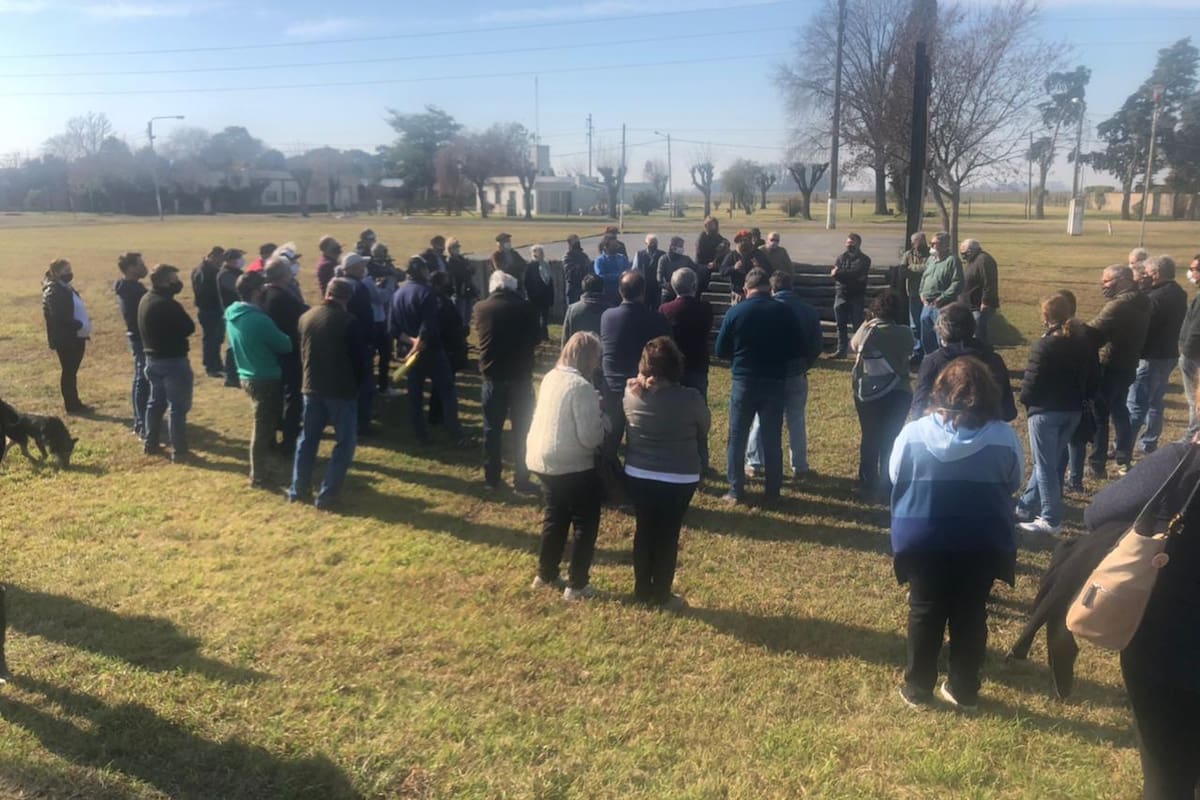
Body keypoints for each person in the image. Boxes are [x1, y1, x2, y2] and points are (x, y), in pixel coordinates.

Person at [890, 357, 1023, 711]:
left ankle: (918, 687)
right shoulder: (1004, 437)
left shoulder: (913, 432)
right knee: (971, 611)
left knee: (924, 610)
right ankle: (964, 688)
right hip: (981, 538)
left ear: (939, 390)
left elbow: (893, 473)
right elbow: (1014, 481)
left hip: (924, 537)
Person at [1077, 431, 1200, 798]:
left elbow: (1097, 511)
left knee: (1167, 778)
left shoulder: (1179, 462)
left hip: (1168, 648)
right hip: (1169, 649)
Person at [623, 336, 709, 609]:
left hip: (639, 472)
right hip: (679, 476)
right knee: (668, 534)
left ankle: (641, 589)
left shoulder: (631, 395)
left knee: (644, 530)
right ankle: (661, 592)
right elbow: (703, 428)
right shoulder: (691, 398)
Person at [526, 331, 609, 600]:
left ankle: (546, 572)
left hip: (542, 458)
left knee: (555, 516)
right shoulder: (581, 387)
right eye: (596, 358)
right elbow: (590, 437)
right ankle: (578, 584)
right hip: (571, 464)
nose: (597, 364)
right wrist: (604, 419)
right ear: (588, 359)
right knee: (585, 523)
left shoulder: (551, 377)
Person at [715, 268, 802, 505]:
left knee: (737, 436)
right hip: (774, 380)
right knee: (771, 437)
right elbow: (797, 349)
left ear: (746, 288)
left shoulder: (736, 311)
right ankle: (772, 491)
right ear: (769, 288)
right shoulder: (785, 312)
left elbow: (720, 349)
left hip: (744, 379)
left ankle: (735, 489)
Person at [1014, 294, 1098, 535]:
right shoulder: (1083, 342)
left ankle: (1051, 519)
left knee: (1045, 464)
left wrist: (1028, 402)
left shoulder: (1045, 345)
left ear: (1046, 316)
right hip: (1072, 411)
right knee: (1048, 461)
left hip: (1046, 412)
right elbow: (1094, 377)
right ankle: (1026, 505)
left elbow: (1031, 382)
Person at [290, 278, 368, 510]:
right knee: (345, 443)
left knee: (307, 439)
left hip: (311, 386)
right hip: (340, 390)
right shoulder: (348, 322)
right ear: (347, 298)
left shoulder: (306, 317)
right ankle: (327, 495)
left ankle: (298, 488)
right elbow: (359, 361)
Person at [746, 271, 823, 479]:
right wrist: (806, 363)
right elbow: (816, 344)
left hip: (770, 371)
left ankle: (754, 462)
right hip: (797, 370)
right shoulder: (808, 310)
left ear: (772, 288)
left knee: (762, 417)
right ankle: (799, 465)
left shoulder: (766, 309)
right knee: (796, 419)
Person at [473, 270, 541, 492]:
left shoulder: (480, 308)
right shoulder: (526, 308)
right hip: (520, 376)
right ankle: (521, 478)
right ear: (513, 288)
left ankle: (491, 478)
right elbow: (537, 338)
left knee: (492, 429)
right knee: (523, 429)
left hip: (492, 376)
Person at [224, 271, 292, 488]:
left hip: (247, 374)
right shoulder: (259, 320)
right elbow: (285, 345)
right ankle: (258, 475)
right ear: (255, 292)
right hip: (266, 378)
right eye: (263, 290)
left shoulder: (232, 313)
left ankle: (263, 469)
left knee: (264, 425)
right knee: (262, 429)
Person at [1084, 264, 1151, 478]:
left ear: (1122, 280)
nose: (1103, 285)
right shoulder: (1144, 300)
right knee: (1120, 410)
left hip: (1111, 365)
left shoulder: (1119, 305)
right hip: (1129, 364)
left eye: (1106, 281)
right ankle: (1124, 457)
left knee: (1100, 414)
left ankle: (1097, 464)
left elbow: (1093, 330)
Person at [599, 271, 671, 462]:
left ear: (620, 291)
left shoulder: (607, 316)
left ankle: (607, 478)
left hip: (612, 386)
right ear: (643, 292)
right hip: (643, 387)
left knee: (610, 439)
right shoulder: (657, 319)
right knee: (641, 441)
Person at [850, 290, 915, 499]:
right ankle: (887, 481)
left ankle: (867, 479)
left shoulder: (868, 331)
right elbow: (909, 350)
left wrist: (867, 321)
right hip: (898, 390)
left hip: (868, 391)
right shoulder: (905, 333)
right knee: (891, 437)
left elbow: (854, 345)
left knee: (869, 436)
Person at [391, 259, 462, 444]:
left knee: (415, 394)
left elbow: (393, 329)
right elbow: (428, 327)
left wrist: (411, 343)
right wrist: (419, 343)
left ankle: (419, 434)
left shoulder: (397, 294)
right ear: (422, 270)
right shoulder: (427, 293)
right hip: (432, 350)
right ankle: (454, 433)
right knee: (447, 391)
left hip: (409, 353)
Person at [909, 303, 1016, 423]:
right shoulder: (993, 360)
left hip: (943, 433)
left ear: (941, 331)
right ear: (972, 327)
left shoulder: (933, 362)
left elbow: (918, 410)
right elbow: (1008, 411)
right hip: (988, 433)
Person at [1127, 255, 1188, 457]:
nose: (1143, 277)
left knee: (1136, 403)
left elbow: (1144, 325)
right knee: (1155, 401)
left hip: (1151, 355)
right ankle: (1149, 442)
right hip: (1169, 353)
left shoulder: (1156, 297)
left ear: (1156, 274)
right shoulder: (1179, 292)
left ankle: (1125, 445)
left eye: (1147, 273)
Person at [137, 264, 195, 463]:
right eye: (174, 280)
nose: (177, 284)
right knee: (177, 407)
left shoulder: (145, 299)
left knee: (155, 403)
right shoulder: (167, 304)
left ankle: (150, 442)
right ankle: (179, 450)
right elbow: (189, 327)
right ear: (164, 282)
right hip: (173, 362)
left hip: (152, 361)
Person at [660, 267, 715, 468]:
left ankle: (674, 457)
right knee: (699, 413)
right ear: (694, 285)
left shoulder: (665, 309)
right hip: (698, 365)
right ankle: (702, 458)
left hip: (674, 367)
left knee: (672, 412)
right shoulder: (705, 308)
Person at [262, 258, 309, 457]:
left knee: (273, 398)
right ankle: (289, 441)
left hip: (268, 351)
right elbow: (302, 317)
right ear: (283, 275)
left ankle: (270, 438)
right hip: (288, 352)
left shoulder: (262, 294)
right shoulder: (284, 298)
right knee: (292, 397)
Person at [41, 258, 91, 414]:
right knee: (69, 371)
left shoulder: (64, 287)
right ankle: (72, 404)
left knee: (71, 371)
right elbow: (59, 316)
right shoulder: (54, 291)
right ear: (55, 273)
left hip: (74, 336)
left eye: (70, 269)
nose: (69, 273)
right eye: (65, 270)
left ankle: (74, 401)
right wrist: (79, 325)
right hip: (66, 339)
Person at [338, 252, 379, 436]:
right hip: (361, 341)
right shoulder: (359, 287)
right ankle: (362, 424)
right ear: (354, 268)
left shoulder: (339, 283)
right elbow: (366, 316)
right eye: (361, 265)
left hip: (343, 342)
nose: (364, 269)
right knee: (364, 385)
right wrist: (371, 340)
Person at [114, 252, 149, 438]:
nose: (144, 267)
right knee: (143, 379)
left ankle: (142, 421)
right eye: (140, 263)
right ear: (131, 268)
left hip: (138, 338)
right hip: (141, 338)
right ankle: (142, 423)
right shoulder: (132, 291)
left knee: (142, 378)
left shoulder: (130, 288)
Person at [427, 271, 469, 425]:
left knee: (441, 384)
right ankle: (440, 416)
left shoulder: (442, 299)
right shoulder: (438, 302)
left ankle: (437, 415)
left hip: (449, 345)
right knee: (443, 385)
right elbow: (446, 324)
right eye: (445, 282)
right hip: (446, 346)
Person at [918, 231, 964, 357]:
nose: (931, 246)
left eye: (934, 244)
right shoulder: (931, 260)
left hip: (942, 305)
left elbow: (957, 283)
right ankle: (930, 358)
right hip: (926, 304)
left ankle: (944, 359)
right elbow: (924, 278)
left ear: (944, 245)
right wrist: (921, 293)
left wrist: (943, 298)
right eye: (930, 243)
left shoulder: (952, 261)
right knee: (926, 333)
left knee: (942, 334)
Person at [368, 242, 401, 396]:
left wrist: (391, 273)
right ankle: (378, 384)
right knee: (376, 352)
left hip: (386, 312)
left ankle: (382, 384)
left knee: (386, 352)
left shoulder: (385, 265)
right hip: (376, 316)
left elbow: (400, 275)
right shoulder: (370, 267)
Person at [831, 232, 872, 358]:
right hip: (841, 294)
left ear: (858, 244)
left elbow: (857, 275)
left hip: (856, 295)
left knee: (857, 324)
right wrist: (840, 275)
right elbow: (836, 274)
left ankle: (859, 350)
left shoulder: (864, 259)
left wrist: (839, 274)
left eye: (851, 243)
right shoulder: (840, 257)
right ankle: (841, 350)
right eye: (847, 243)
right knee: (840, 325)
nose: (849, 245)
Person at [190, 245, 226, 378]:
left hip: (207, 309)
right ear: (213, 257)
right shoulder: (207, 272)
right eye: (220, 258)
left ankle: (215, 364)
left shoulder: (199, 269)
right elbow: (207, 292)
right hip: (211, 309)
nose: (222, 262)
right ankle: (212, 366)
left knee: (214, 339)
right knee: (212, 339)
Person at [958, 239, 1000, 346]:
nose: (963, 256)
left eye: (964, 253)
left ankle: (981, 355)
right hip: (970, 304)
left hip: (978, 306)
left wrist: (985, 301)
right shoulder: (973, 260)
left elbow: (989, 283)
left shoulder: (984, 260)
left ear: (972, 251)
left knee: (978, 334)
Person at [217, 248, 246, 388]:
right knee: (233, 345)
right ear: (230, 260)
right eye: (239, 257)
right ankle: (231, 376)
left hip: (236, 311)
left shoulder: (234, 273)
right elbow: (238, 289)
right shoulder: (226, 275)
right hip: (232, 312)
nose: (241, 260)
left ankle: (234, 374)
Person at [1179, 254, 1200, 441]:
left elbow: (1196, 329)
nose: (1191, 272)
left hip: (1193, 355)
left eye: (1194, 269)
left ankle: (1192, 436)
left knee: (1194, 400)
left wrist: (1186, 353)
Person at [902, 232, 931, 363]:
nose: (913, 244)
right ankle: (917, 351)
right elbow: (902, 269)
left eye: (915, 241)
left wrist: (912, 268)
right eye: (912, 242)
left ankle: (928, 350)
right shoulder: (908, 254)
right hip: (913, 293)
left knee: (926, 322)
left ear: (923, 241)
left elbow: (928, 268)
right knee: (914, 325)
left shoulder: (931, 254)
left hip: (927, 294)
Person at [721, 229, 770, 303]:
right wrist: (734, 268)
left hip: (756, 293)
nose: (744, 242)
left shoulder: (758, 254)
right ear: (737, 241)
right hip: (738, 294)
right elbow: (722, 271)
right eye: (741, 240)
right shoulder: (732, 255)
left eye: (746, 240)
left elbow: (769, 270)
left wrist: (759, 266)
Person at [562, 274, 607, 346]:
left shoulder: (573, 309)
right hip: (602, 355)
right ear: (603, 288)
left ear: (583, 288)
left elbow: (565, 339)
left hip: (578, 354)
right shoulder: (611, 311)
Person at [443, 237, 478, 330]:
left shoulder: (462, 259)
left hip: (467, 291)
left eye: (458, 247)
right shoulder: (449, 261)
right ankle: (460, 337)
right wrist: (466, 270)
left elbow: (472, 270)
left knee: (467, 316)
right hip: (458, 291)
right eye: (455, 247)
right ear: (450, 249)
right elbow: (456, 274)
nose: (458, 249)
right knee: (459, 316)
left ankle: (465, 336)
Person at [524, 244, 555, 342]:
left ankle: (544, 336)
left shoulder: (546, 265)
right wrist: (530, 295)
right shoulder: (530, 266)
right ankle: (536, 336)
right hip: (534, 297)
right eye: (539, 252)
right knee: (535, 317)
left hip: (545, 296)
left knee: (544, 318)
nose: (541, 254)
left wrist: (551, 296)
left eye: (542, 252)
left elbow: (550, 281)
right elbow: (527, 282)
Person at [658, 236, 701, 303]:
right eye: (680, 246)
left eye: (682, 246)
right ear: (672, 247)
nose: (682, 248)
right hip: (668, 294)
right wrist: (665, 285)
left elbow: (696, 270)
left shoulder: (686, 259)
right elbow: (659, 278)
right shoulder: (663, 259)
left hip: (683, 294)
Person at [631, 234, 666, 309]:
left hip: (657, 287)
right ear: (646, 243)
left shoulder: (662, 255)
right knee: (643, 308)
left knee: (657, 308)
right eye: (651, 243)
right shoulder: (639, 254)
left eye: (655, 243)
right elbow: (635, 270)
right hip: (644, 287)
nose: (653, 245)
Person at [593, 236, 630, 307]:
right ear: (605, 247)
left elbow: (628, 272)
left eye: (616, 245)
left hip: (622, 294)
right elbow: (601, 276)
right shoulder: (600, 260)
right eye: (613, 246)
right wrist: (619, 276)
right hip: (607, 295)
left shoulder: (622, 258)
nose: (616, 247)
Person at [561, 234, 592, 306]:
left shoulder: (584, 255)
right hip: (573, 289)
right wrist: (582, 267)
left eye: (578, 241)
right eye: (575, 242)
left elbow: (589, 268)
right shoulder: (567, 257)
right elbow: (570, 274)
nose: (577, 244)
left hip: (584, 288)